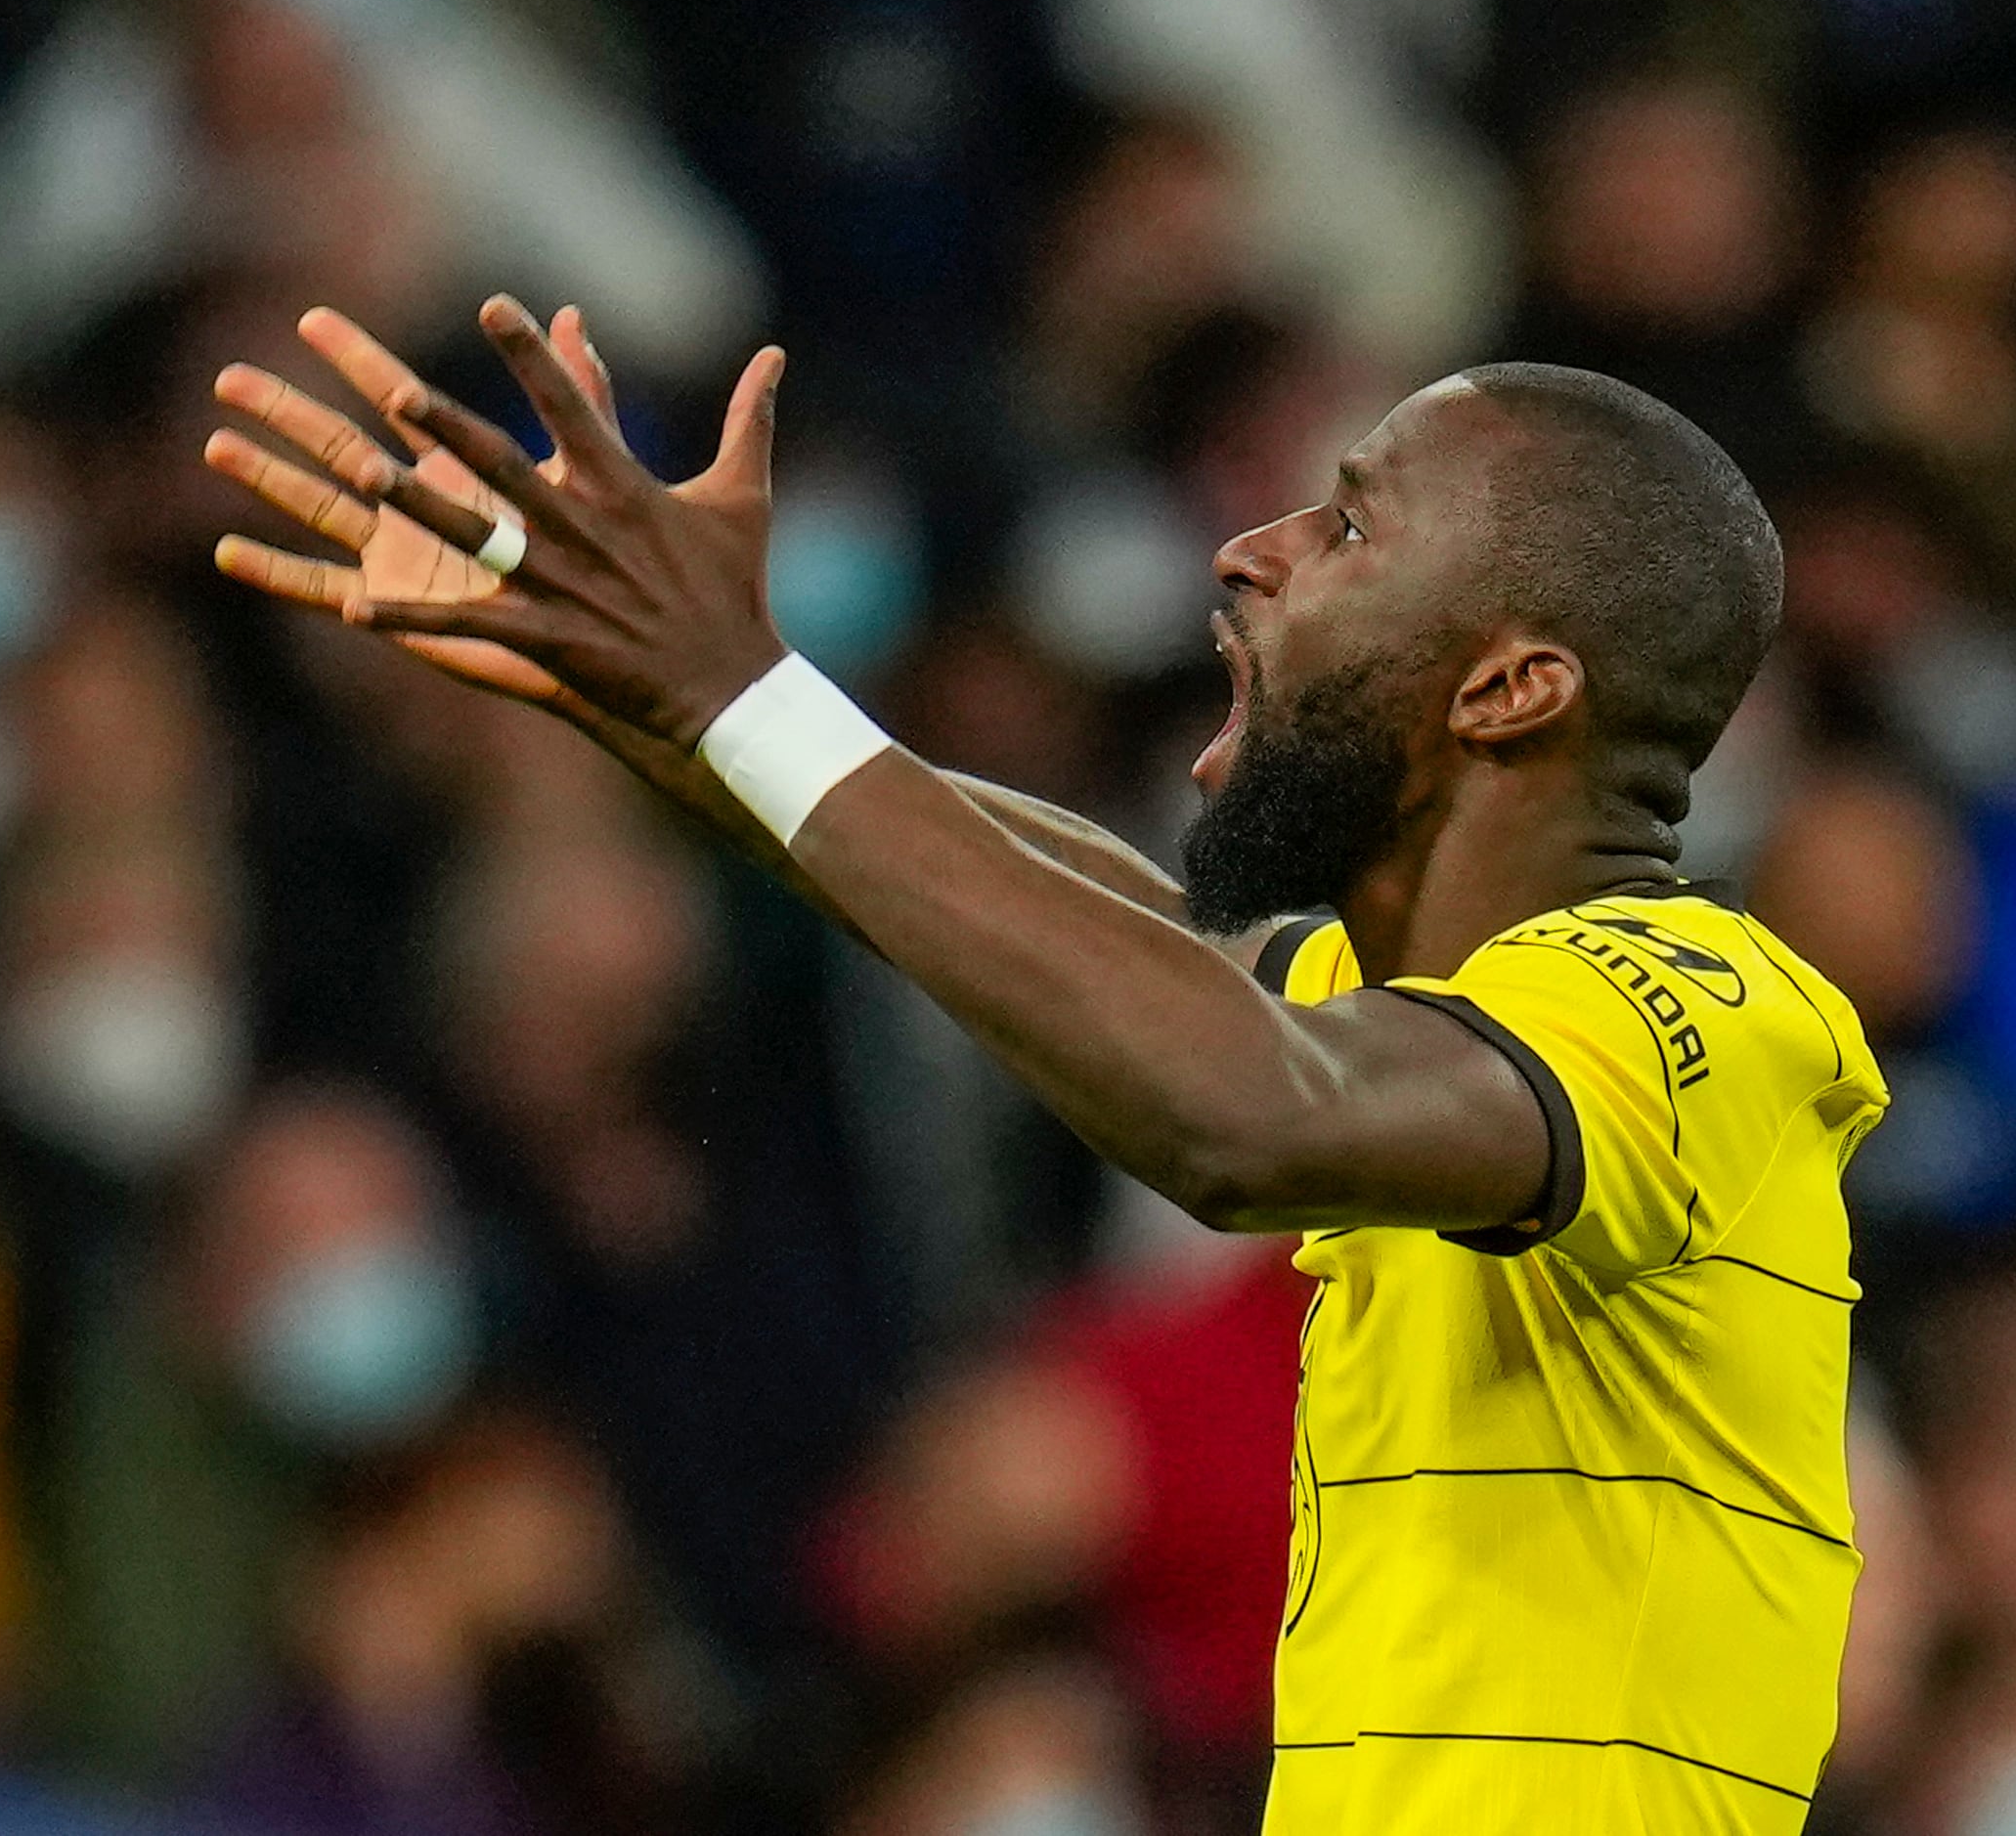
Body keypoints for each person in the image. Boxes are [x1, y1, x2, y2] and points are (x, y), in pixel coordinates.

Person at [202, 296, 1886, 1831]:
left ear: (1511, 687)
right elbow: (1146, 942)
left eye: (1353, 521)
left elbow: (1243, 1109)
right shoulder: (1404, 1014)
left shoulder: (1696, 1010)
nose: (1249, 548)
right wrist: (689, 689)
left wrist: (735, 696)